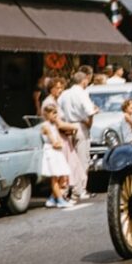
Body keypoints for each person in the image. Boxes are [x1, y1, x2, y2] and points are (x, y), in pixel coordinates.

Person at [58, 71, 100, 200]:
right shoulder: (82, 93)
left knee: (68, 159)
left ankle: (65, 190)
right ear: (84, 81)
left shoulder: (64, 94)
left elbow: (59, 111)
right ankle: (80, 190)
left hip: (67, 127)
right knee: (82, 160)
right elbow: (89, 111)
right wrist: (89, 123)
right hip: (80, 126)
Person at [40, 104, 73, 209]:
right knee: (55, 177)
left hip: (57, 152)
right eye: (53, 113)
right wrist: (58, 144)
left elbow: (59, 140)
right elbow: (54, 142)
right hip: (51, 152)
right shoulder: (45, 126)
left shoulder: (54, 125)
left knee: (62, 176)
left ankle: (52, 199)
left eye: (56, 112)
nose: (55, 115)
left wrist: (59, 143)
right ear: (47, 114)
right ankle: (60, 200)